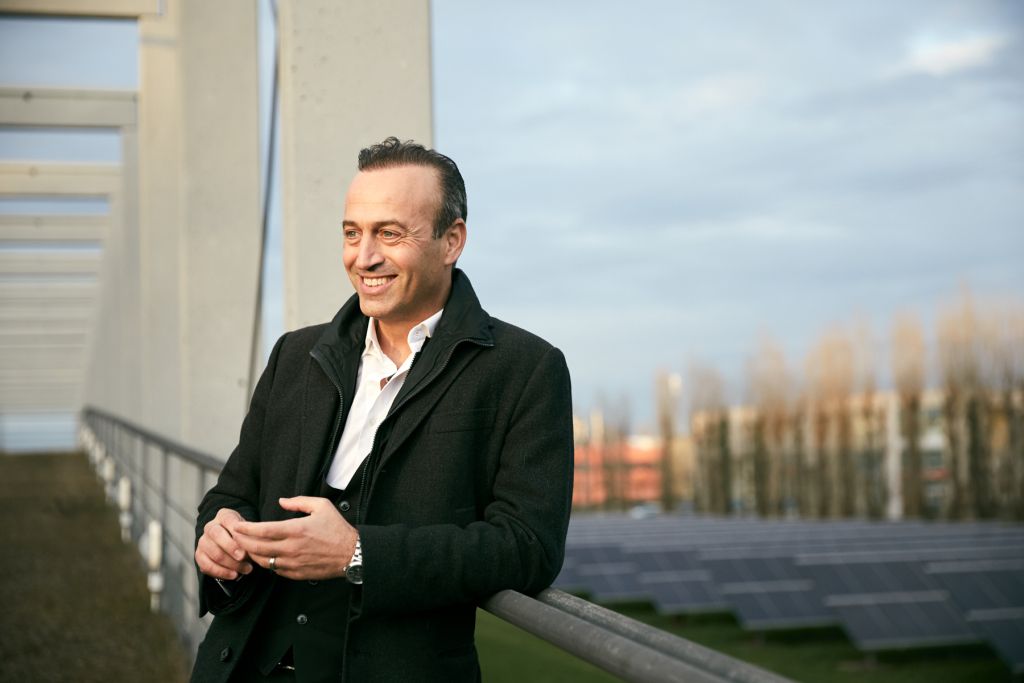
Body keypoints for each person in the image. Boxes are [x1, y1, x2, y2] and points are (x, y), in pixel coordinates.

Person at [190, 137, 574, 683]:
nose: (364, 257)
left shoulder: (526, 369)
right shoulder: (294, 355)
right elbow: (230, 494)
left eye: (389, 234)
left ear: (452, 240)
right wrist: (218, 535)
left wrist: (359, 553)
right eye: (353, 233)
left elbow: (528, 547)